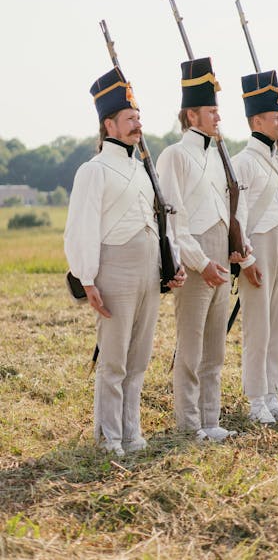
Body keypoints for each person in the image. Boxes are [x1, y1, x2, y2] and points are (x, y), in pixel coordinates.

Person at [64, 68, 184, 457]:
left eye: (138, 118)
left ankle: (132, 432)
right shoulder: (93, 170)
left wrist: (173, 264)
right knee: (114, 361)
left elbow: (157, 221)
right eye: (130, 119)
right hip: (114, 269)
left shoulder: (141, 168)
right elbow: (80, 229)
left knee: (138, 359)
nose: (138, 125)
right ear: (109, 124)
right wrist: (87, 279)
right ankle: (109, 438)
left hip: (148, 268)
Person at [156, 57, 251, 442]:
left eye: (217, 110)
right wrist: (201, 262)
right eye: (211, 111)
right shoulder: (174, 156)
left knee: (215, 349)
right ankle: (189, 423)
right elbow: (174, 223)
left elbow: (231, 207)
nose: (218, 117)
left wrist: (235, 245)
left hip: (220, 255)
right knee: (191, 350)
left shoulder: (218, 155)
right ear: (191, 114)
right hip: (196, 260)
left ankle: (210, 420)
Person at [232, 70, 278, 424]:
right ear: (256, 120)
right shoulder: (243, 162)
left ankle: (273, 393)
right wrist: (246, 257)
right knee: (258, 328)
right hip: (258, 246)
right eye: (276, 116)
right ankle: (255, 399)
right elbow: (239, 214)